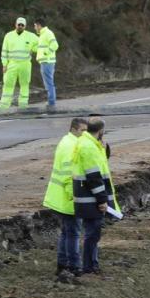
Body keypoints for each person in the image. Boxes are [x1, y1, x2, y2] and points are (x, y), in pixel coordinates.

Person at [74, 118, 120, 274]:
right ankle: (89, 266)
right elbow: (94, 176)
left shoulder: (91, 144)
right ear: (101, 130)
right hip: (90, 198)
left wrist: (104, 147)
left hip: (90, 196)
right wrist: (102, 199)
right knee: (92, 234)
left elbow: (102, 163)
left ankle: (92, 264)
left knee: (93, 233)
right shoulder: (89, 147)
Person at [44, 117, 87, 282]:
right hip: (68, 197)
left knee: (66, 232)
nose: (85, 134)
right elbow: (69, 175)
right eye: (83, 131)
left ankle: (62, 265)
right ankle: (74, 266)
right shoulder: (72, 146)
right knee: (73, 233)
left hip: (60, 197)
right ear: (74, 129)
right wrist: (75, 196)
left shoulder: (66, 141)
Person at [0, 17, 39, 109]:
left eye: (22, 25)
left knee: (24, 85)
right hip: (11, 64)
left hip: (25, 64)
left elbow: (40, 44)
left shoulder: (31, 36)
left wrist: (33, 49)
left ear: (25, 26)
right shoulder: (8, 36)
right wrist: (4, 64)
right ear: (15, 24)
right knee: (8, 85)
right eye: (19, 24)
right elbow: (4, 51)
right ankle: (4, 106)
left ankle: (23, 106)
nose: (20, 26)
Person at [33, 18, 59, 110]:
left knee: (49, 83)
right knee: (48, 83)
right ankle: (51, 102)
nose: (34, 27)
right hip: (45, 62)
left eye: (35, 26)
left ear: (39, 25)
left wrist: (45, 53)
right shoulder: (43, 34)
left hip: (47, 62)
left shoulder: (47, 33)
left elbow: (55, 45)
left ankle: (51, 103)